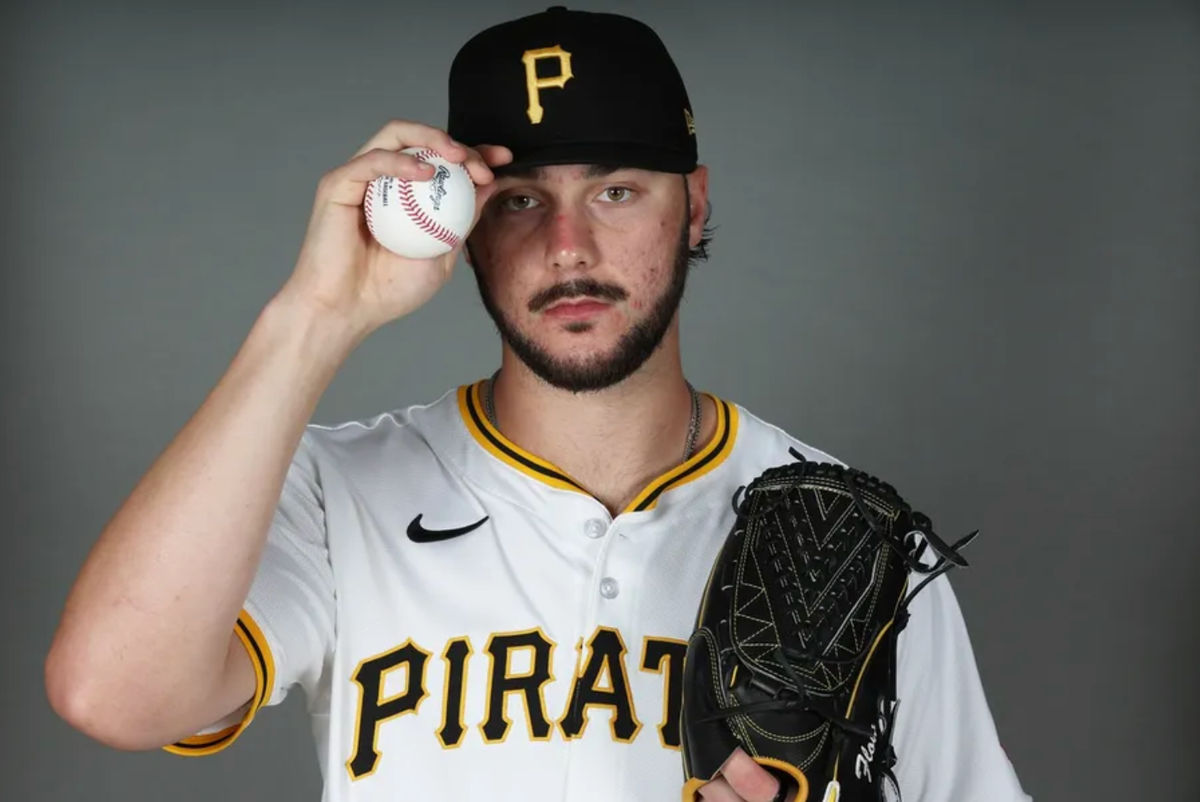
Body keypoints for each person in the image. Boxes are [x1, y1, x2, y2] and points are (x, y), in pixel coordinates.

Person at [45, 7, 1030, 801]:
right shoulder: (330, 493)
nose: (567, 245)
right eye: (520, 199)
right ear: (465, 230)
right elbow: (112, 694)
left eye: (616, 192)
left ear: (695, 203)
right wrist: (314, 315)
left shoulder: (848, 539)